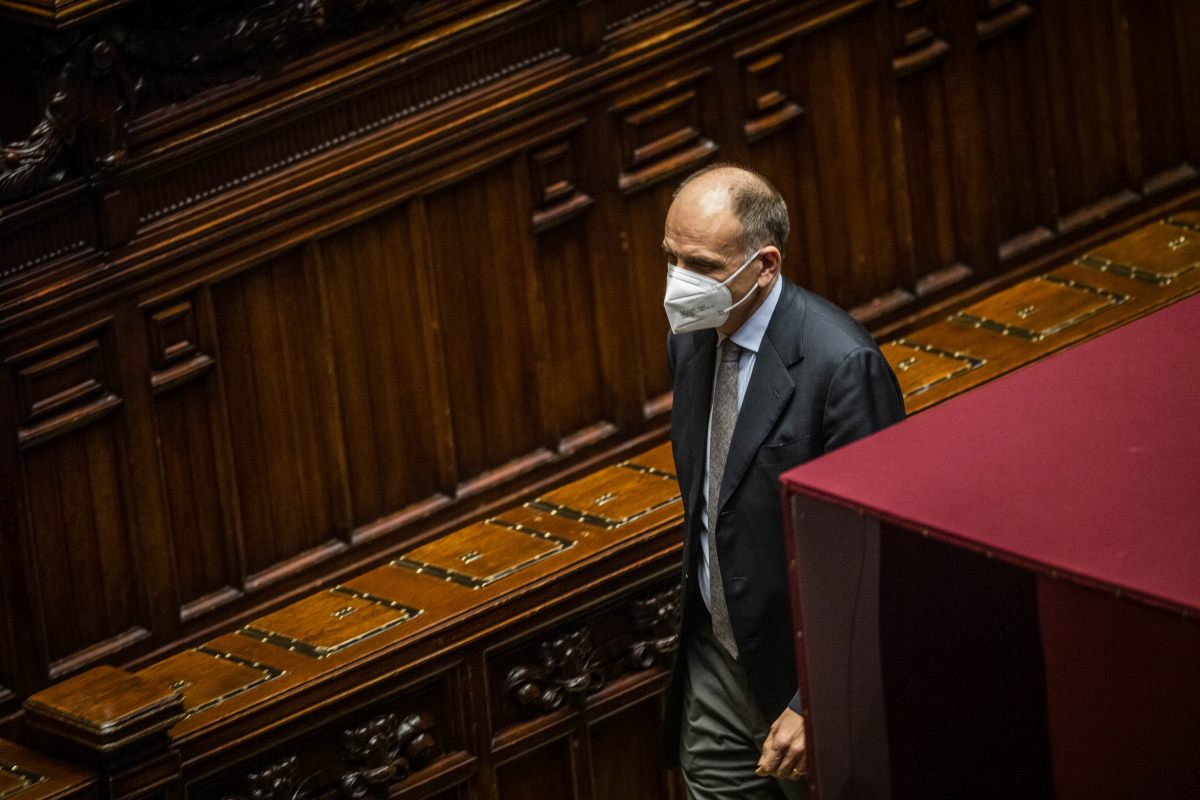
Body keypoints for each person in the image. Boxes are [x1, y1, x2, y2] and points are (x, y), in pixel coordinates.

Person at [660, 164, 905, 799]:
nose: (680, 282)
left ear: (765, 265)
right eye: (672, 258)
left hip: (800, 676)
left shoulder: (843, 365)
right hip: (715, 659)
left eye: (702, 265)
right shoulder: (691, 339)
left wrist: (813, 697)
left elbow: (872, 554)